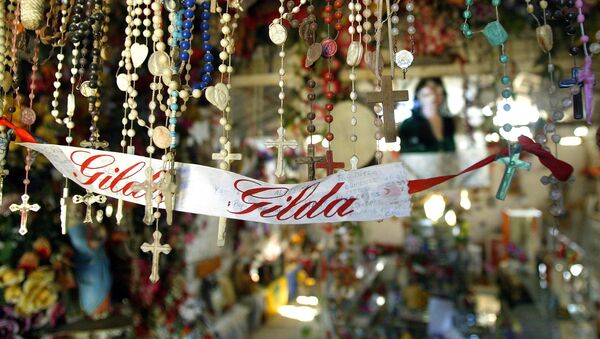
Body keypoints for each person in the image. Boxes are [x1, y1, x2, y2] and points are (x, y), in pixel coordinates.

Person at [399, 77, 456, 153]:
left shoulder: (450, 122)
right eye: (428, 93)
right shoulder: (408, 125)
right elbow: (406, 155)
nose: (434, 97)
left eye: (438, 92)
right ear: (419, 96)